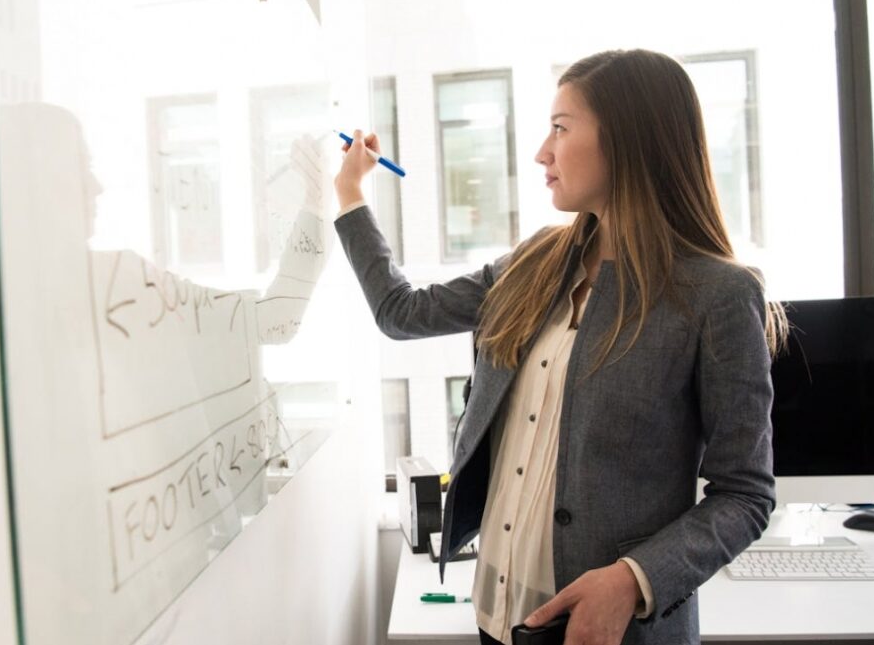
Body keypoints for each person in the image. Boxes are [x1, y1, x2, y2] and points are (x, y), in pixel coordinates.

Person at [332, 49, 787, 645]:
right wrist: (350, 195)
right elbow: (402, 312)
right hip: (497, 616)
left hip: (612, 631)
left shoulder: (717, 295)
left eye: (560, 128)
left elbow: (745, 495)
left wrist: (633, 580)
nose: (542, 152)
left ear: (628, 139)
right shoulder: (534, 263)